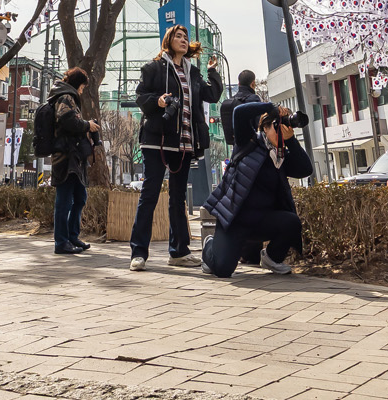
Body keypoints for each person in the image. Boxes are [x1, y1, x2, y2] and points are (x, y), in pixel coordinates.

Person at [130, 23, 224, 270]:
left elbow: (212, 95)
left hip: (184, 143)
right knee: (149, 195)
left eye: (185, 37)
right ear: (168, 40)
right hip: (157, 142)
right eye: (178, 36)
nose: (183, 40)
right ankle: (138, 253)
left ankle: (179, 252)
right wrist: (158, 101)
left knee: (178, 198)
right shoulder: (153, 67)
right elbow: (140, 97)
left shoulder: (192, 72)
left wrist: (213, 72)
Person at [202, 103, 312, 277]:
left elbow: (306, 170)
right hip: (235, 219)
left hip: (261, 220)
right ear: (265, 127)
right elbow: (239, 112)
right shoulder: (248, 141)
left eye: (284, 127)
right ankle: (210, 247)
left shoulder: (282, 156)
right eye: (276, 126)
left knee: (291, 221)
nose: (280, 131)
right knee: (222, 270)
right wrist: (271, 107)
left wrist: (290, 140)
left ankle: (272, 258)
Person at [47, 68, 98, 255]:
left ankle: (72, 236)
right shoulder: (65, 97)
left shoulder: (67, 96)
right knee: (64, 201)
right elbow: (67, 121)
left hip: (74, 156)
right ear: (79, 84)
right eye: (83, 86)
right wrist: (87, 125)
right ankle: (61, 242)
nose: (83, 91)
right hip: (65, 156)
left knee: (79, 198)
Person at [219, 69, 264, 147]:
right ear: (253, 84)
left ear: (239, 84)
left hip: (236, 150)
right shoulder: (254, 99)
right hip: (253, 147)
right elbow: (259, 126)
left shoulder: (228, 103)